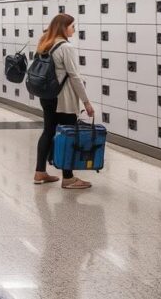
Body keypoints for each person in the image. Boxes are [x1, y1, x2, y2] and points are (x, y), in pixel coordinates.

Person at [33, 13, 95, 190]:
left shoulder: (45, 42)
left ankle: (40, 172)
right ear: (63, 27)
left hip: (47, 97)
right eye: (72, 26)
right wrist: (86, 102)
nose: (74, 29)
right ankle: (68, 178)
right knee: (69, 135)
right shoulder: (66, 47)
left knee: (48, 131)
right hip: (63, 99)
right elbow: (75, 77)